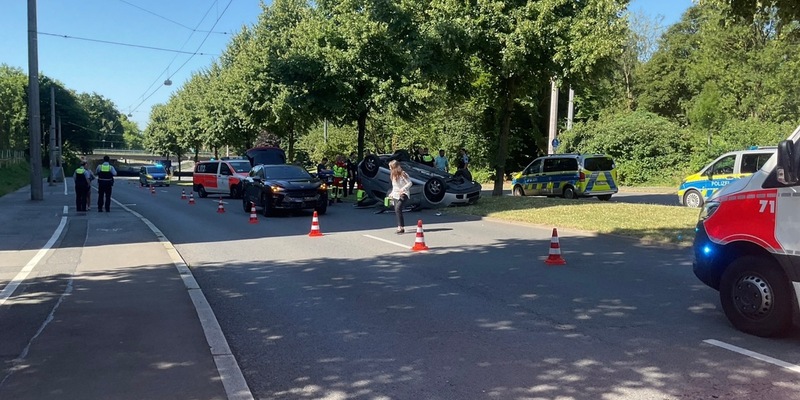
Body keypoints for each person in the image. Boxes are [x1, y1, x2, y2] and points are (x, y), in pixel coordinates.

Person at [388, 160, 412, 234]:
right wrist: (391, 193)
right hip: (395, 195)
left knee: (398, 208)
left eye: (391, 167)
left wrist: (403, 189)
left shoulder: (403, 174)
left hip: (403, 194)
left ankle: (400, 227)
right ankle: (400, 226)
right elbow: (394, 187)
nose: (390, 169)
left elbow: (410, 183)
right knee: (397, 210)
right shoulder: (393, 175)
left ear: (395, 167)